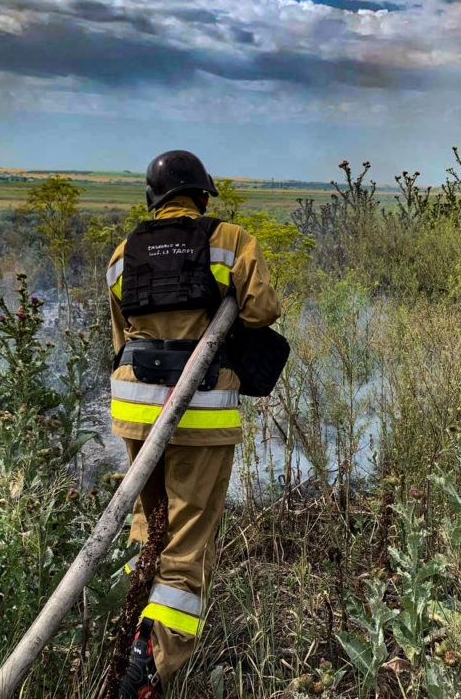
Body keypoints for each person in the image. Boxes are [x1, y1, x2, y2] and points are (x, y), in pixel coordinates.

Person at [106, 150, 282, 698]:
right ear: (202, 196)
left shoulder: (121, 254)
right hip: (198, 410)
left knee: (149, 524)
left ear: (153, 200)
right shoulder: (228, 240)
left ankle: (132, 619)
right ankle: (150, 665)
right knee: (187, 539)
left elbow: (120, 340)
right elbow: (262, 310)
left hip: (134, 409)